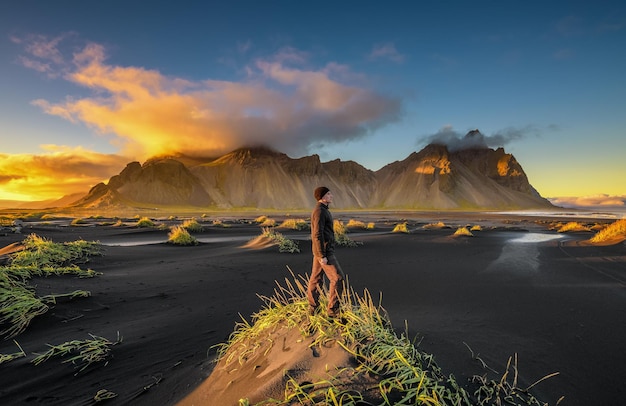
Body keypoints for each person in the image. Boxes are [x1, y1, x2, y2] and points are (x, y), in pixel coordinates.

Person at [307, 186, 346, 317]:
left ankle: (313, 308)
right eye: (329, 194)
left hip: (321, 250)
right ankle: (333, 311)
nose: (331, 196)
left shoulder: (322, 210)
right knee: (338, 278)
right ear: (322, 197)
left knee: (316, 279)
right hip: (324, 252)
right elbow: (317, 234)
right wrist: (322, 255)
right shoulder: (320, 211)